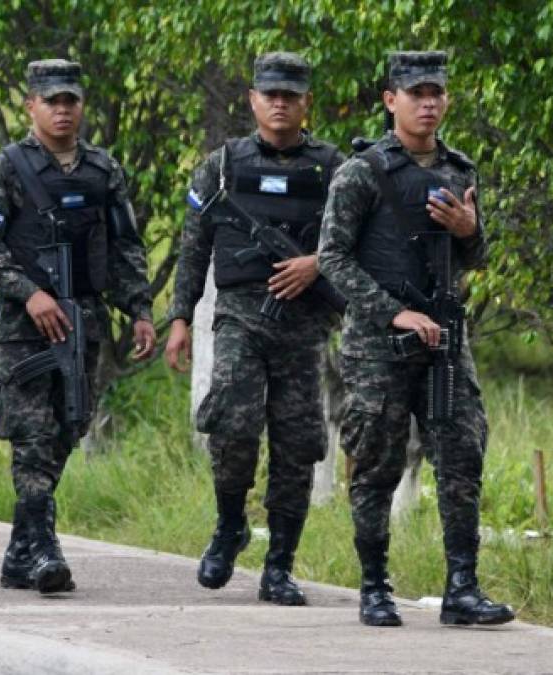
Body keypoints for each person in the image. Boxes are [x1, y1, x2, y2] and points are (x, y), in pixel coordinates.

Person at [317, 51, 514, 627]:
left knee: (461, 455)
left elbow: (476, 255)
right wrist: (393, 312)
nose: (428, 103)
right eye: (416, 92)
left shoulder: (459, 170)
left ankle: (462, 590)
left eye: (437, 93)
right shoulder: (362, 172)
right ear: (390, 100)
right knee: (375, 460)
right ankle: (374, 588)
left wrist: (469, 232)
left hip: (446, 338)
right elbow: (331, 258)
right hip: (380, 345)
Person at [0, 59, 156, 594]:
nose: (62, 110)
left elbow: (124, 247)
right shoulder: (5, 170)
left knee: (68, 428)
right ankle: (45, 549)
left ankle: (18, 552)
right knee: (33, 433)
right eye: (51, 101)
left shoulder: (103, 171)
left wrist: (139, 310)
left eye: (70, 100)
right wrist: (30, 295)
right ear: (31, 106)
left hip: (83, 322)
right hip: (23, 327)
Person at [165, 52, 344, 605]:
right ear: (253, 100)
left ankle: (279, 567)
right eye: (270, 94)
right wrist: (178, 317)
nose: (280, 103)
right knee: (233, 428)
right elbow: (193, 248)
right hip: (240, 318)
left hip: (304, 326)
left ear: (306, 101)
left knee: (297, 444)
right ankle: (228, 525)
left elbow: (359, 242)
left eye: (291, 94)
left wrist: (316, 263)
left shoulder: (333, 169)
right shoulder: (220, 167)